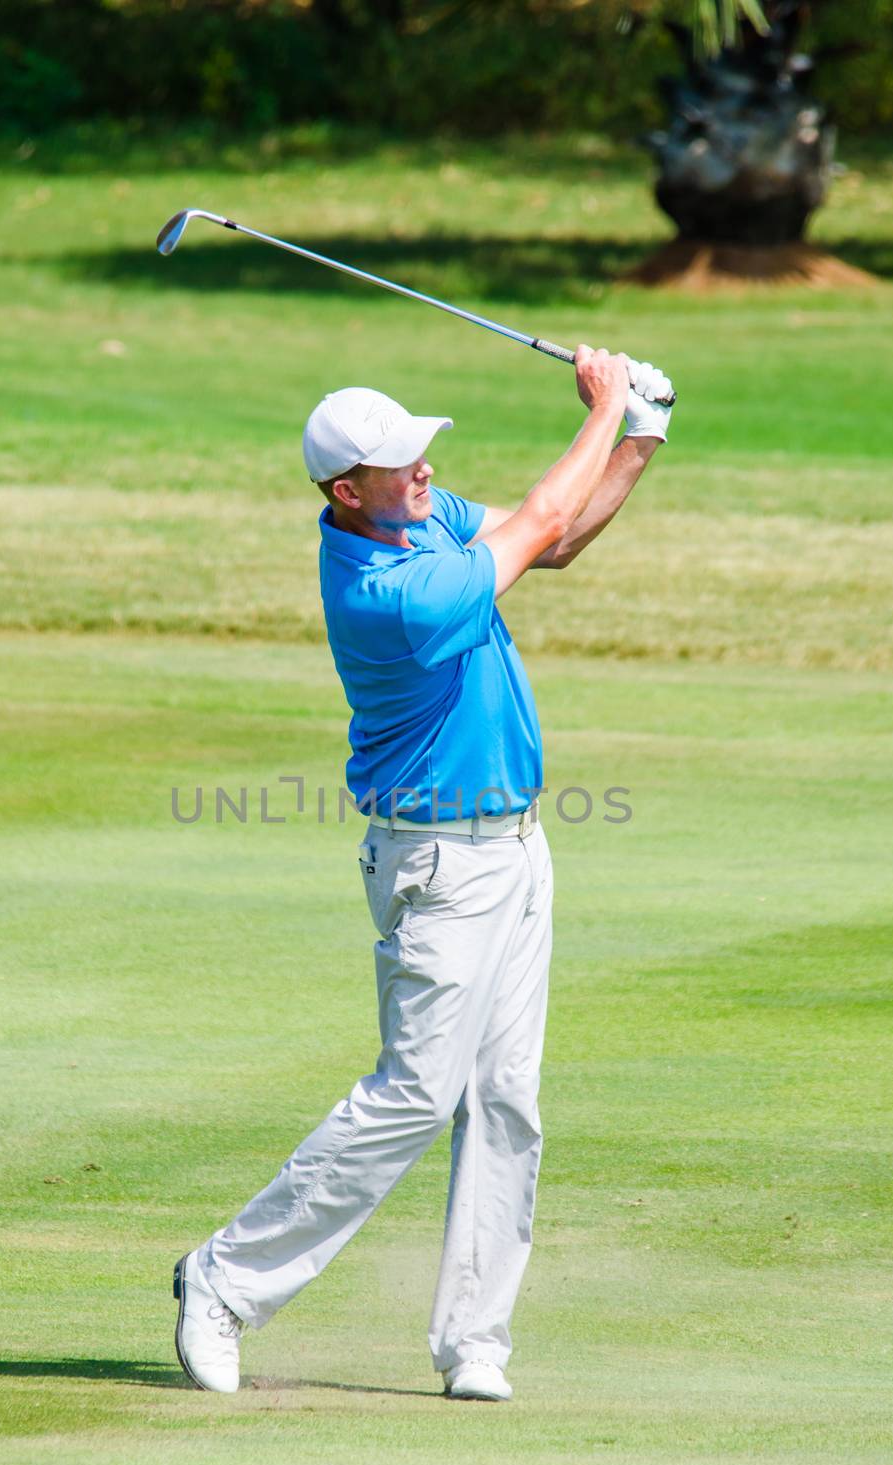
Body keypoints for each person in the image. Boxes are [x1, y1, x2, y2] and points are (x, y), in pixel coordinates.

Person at [174, 347, 674, 1400]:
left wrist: (637, 440)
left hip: (519, 848)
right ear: (344, 491)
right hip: (440, 862)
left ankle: (473, 1340)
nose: (423, 471)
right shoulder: (386, 591)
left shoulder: (422, 519)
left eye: (421, 451)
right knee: (413, 1092)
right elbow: (536, 522)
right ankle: (223, 1277)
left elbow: (560, 542)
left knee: (505, 1099)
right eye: (400, 464)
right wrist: (600, 408)